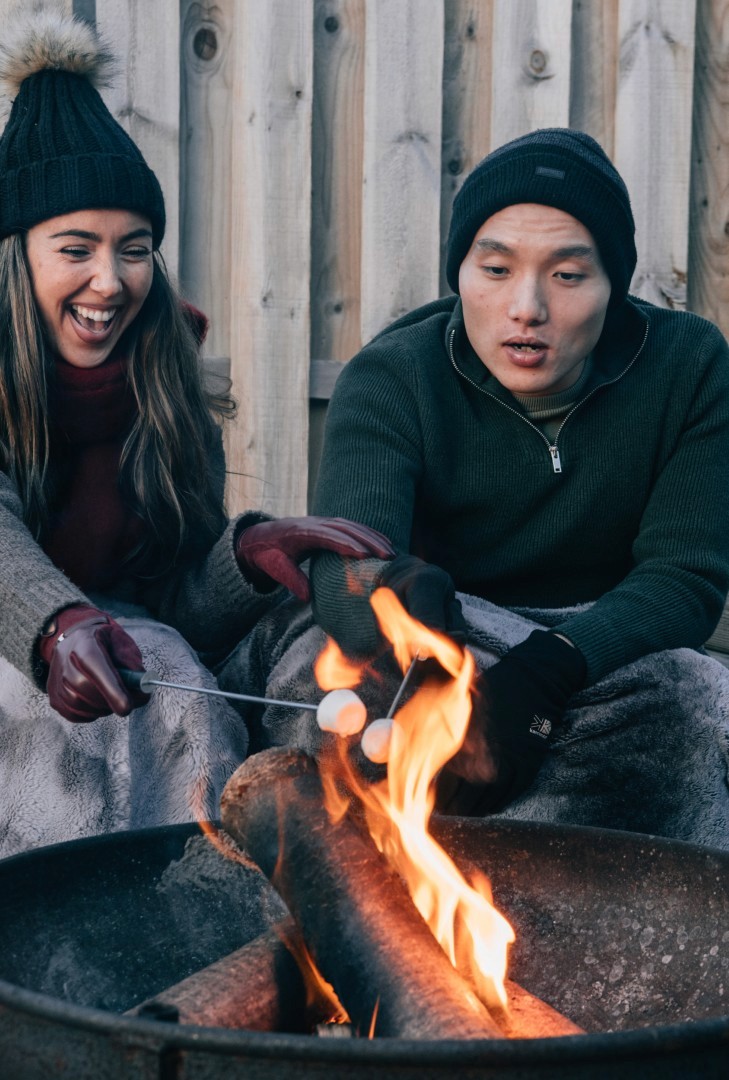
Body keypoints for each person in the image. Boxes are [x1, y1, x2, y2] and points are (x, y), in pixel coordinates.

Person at [225, 127, 729, 848]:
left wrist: (547, 673)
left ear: (612, 285)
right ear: (458, 272)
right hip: (449, 636)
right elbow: (344, 566)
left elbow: (684, 578)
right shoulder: (395, 376)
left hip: (590, 649)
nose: (526, 307)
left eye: (567, 274)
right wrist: (398, 610)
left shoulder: (688, 367)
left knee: (689, 701)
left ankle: (562, 902)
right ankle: (361, 899)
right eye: (494, 269)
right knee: (321, 688)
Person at [0, 6, 393, 858]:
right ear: (16, 256)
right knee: (154, 681)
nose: (109, 280)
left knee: (209, 662)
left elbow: (174, 604)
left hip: (121, 654)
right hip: (22, 656)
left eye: (133, 248)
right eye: (75, 248)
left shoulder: (164, 384)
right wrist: (54, 623)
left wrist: (244, 560)